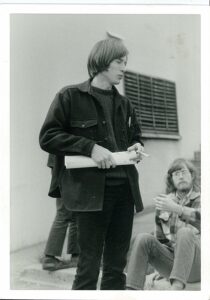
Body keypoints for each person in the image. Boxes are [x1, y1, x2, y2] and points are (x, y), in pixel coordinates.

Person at [39, 34, 144, 290]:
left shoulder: (125, 103)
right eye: (119, 61)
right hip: (90, 196)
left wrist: (137, 146)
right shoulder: (70, 96)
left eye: (125, 62)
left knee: (116, 267)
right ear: (102, 61)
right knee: (87, 268)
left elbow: (135, 137)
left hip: (124, 193)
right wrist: (89, 147)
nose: (124, 67)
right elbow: (48, 136)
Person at [126, 158, 201, 290]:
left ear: (192, 175)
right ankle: (132, 291)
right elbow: (160, 242)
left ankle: (175, 290)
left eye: (183, 172)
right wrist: (157, 272)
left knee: (184, 233)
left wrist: (178, 209)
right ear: (171, 179)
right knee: (143, 239)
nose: (181, 176)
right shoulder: (164, 203)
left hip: (199, 264)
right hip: (174, 265)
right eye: (176, 174)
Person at [41, 154, 80, 271]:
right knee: (64, 212)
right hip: (65, 165)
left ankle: (76, 255)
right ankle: (50, 258)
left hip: (65, 164)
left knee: (74, 212)